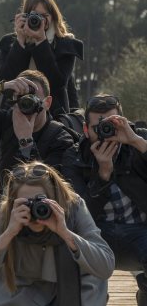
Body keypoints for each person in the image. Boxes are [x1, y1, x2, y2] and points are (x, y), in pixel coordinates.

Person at [0, 160, 115, 306]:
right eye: (26, 203)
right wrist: (9, 233)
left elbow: (105, 267)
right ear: (15, 202)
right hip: (24, 294)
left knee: (91, 260)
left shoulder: (73, 208)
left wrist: (64, 232)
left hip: (72, 289)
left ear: (54, 199)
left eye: (41, 203)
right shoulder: (9, 214)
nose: (35, 211)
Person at [63, 94, 147, 305]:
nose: (105, 134)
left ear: (124, 122)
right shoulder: (75, 156)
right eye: (96, 128)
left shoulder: (139, 141)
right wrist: (103, 174)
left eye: (111, 125)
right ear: (85, 129)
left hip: (142, 230)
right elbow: (78, 213)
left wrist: (136, 141)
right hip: (97, 233)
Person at [0, 69, 77, 208]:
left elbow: (51, 186)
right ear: (14, 101)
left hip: (44, 219)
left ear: (47, 102)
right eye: (21, 98)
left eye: (33, 97)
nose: (27, 103)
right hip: (8, 216)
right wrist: (1, 87)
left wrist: (26, 141)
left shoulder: (60, 138)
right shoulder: (7, 122)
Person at [0, 0, 83, 116]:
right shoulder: (10, 43)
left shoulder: (66, 45)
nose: (39, 20)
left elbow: (57, 84)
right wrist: (20, 42)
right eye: (34, 15)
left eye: (44, 16)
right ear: (24, 16)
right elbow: (4, 82)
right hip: (14, 116)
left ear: (53, 17)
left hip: (52, 118)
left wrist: (41, 42)